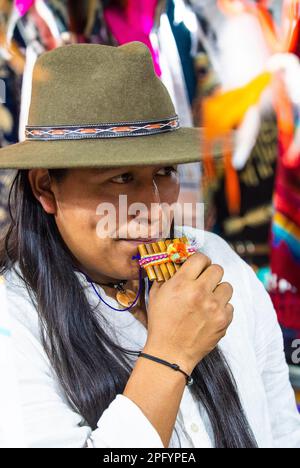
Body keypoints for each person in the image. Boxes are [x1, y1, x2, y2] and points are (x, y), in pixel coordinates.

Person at [0, 42, 299, 449]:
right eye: (121, 178)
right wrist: (169, 355)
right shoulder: (14, 322)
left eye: (165, 171)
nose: (154, 207)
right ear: (45, 187)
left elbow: (281, 429)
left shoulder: (218, 259)